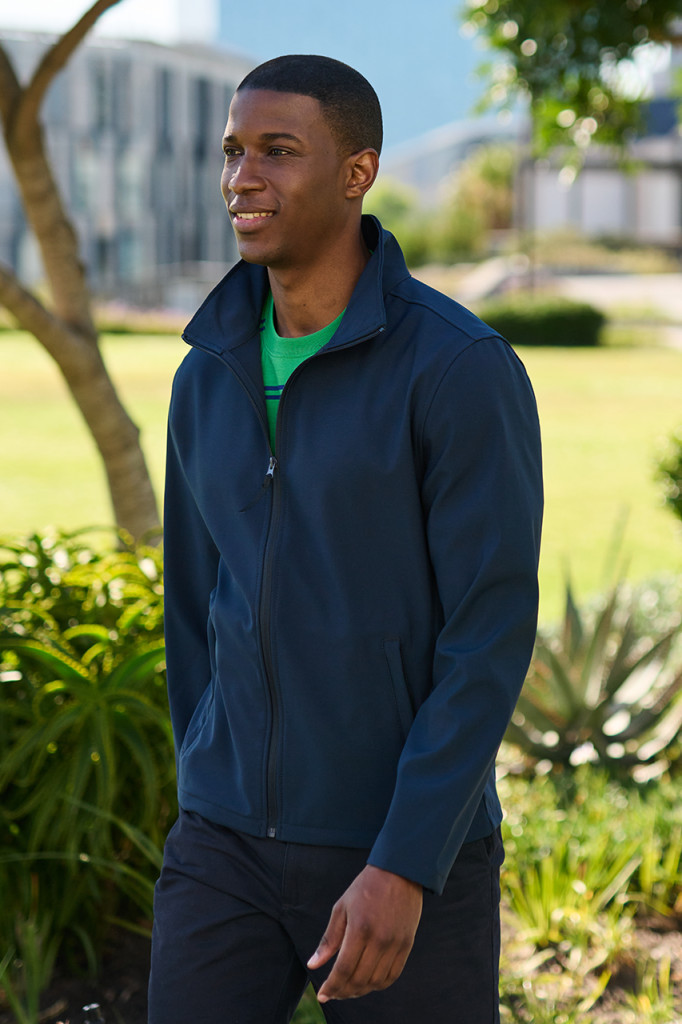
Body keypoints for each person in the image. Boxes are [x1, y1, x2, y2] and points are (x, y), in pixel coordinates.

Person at [149, 54, 543, 1024]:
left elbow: (487, 636)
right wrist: (207, 777)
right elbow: (193, 605)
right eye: (233, 151)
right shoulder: (206, 375)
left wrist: (406, 858)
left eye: (278, 152)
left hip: (401, 847)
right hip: (224, 845)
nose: (243, 177)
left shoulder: (458, 368)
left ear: (358, 171)